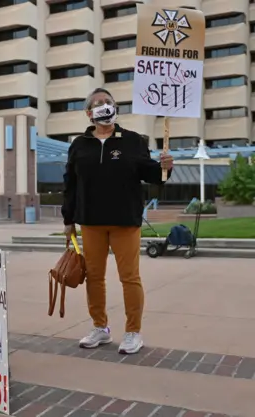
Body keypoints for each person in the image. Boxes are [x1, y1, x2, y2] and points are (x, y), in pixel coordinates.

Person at [62, 88, 173, 355]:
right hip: (91, 221)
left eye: (108, 102)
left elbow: (154, 176)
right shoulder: (79, 145)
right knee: (94, 277)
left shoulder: (133, 141)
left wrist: (165, 166)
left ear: (116, 107)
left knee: (129, 277)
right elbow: (70, 184)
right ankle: (100, 327)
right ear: (89, 113)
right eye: (98, 103)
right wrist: (69, 220)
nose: (104, 106)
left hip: (125, 220)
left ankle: (133, 332)